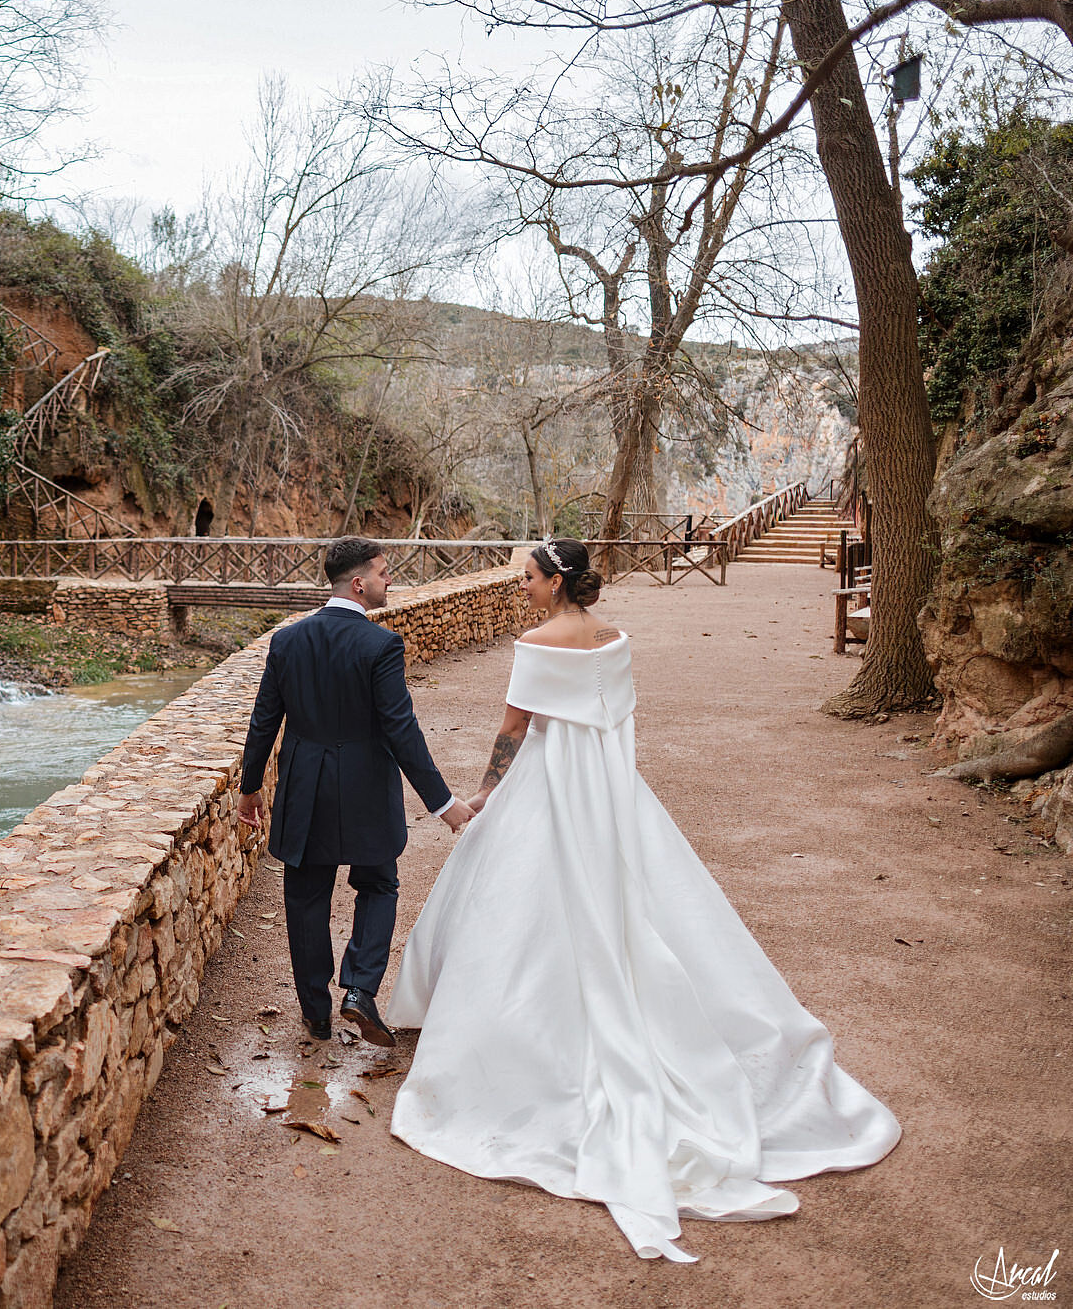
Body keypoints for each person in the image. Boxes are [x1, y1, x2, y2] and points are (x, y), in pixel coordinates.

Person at [385, 536, 901, 1262]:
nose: (521, 590)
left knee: (516, 908)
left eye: (527, 579)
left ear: (557, 582)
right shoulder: (617, 638)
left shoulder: (539, 641)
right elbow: (617, 721)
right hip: (611, 792)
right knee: (636, 903)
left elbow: (514, 729)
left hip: (548, 788)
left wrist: (486, 794)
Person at [237, 537, 473, 1047]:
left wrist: (249, 789)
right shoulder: (380, 645)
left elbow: (264, 722)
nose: (392, 581)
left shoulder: (288, 641)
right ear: (360, 583)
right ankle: (360, 989)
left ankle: (316, 1014)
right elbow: (400, 731)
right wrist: (444, 803)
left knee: (304, 897)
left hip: (304, 787)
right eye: (385, 573)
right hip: (366, 785)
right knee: (378, 885)